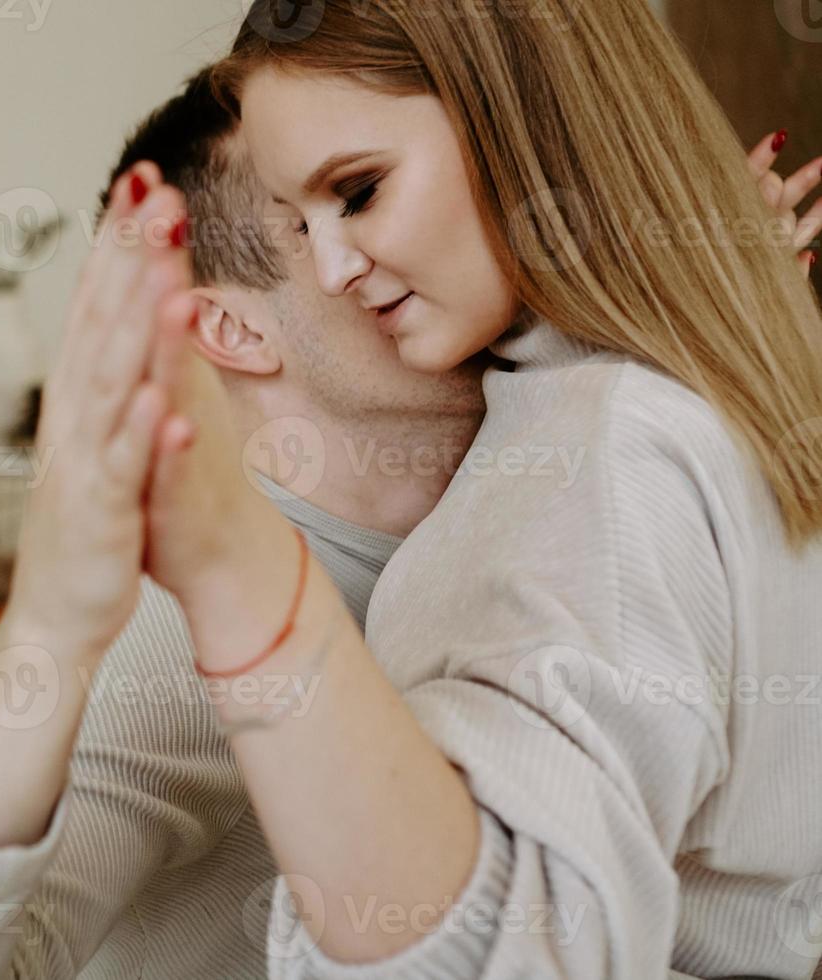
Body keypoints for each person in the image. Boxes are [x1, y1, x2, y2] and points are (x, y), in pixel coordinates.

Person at [0, 42, 819, 977]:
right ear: (227, 325)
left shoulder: (554, 450)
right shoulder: (175, 642)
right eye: (339, 204)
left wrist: (695, 286)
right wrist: (44, 631)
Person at [102, 1, 819, 977]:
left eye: (357, 193)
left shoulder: (591, 460)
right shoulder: (691, 393)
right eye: (302, 222)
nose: (335, 265)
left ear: (511, 124)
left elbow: (493, 950)